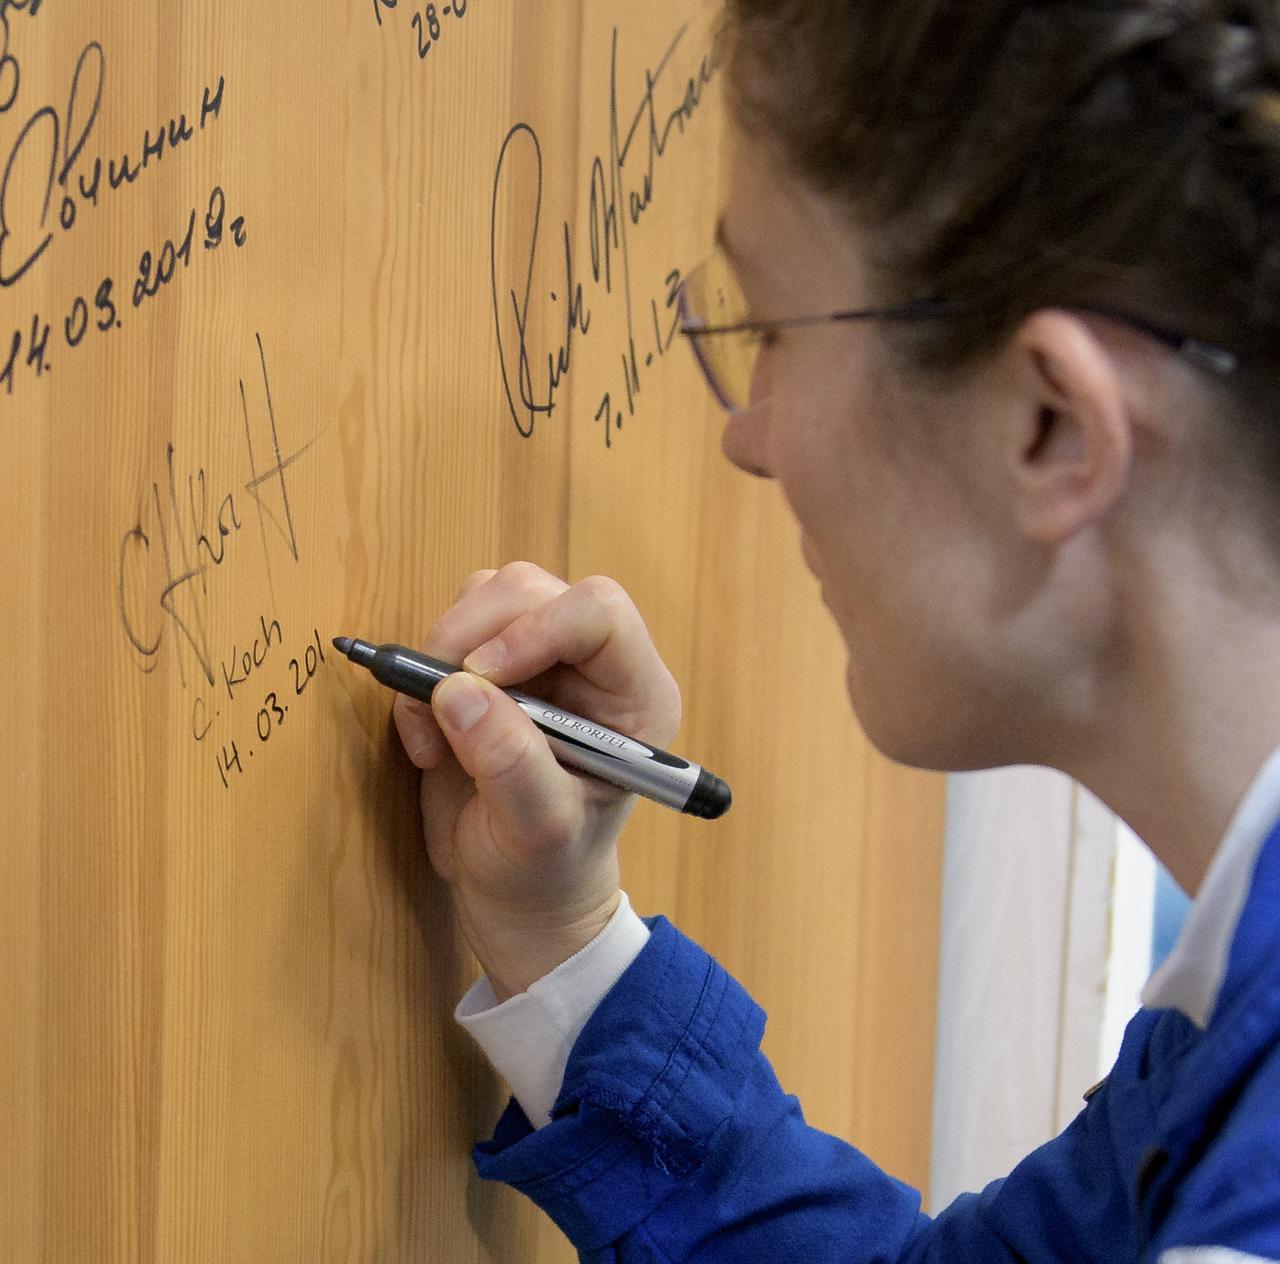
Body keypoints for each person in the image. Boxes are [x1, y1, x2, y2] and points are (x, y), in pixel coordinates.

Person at [393, 1, 1280, 1259]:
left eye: (766, 330)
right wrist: (563, 937)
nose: (745, 436)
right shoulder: (1228, 1038)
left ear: (1051, 428)